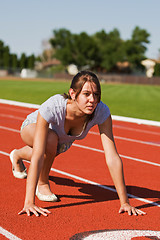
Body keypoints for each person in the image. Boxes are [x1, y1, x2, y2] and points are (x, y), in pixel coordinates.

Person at [10, 71, 146, 217]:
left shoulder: (101, 111)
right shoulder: (53, 106)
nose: (92, 100)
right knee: (48, 143)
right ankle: (42, 184)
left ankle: (17, 154)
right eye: (86, 94)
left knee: (50, 146)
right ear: (73, 94)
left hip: (60, 142)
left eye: (96, 94)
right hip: (32, 127)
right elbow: (37, 155)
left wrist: (124, 202)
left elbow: (112, 157)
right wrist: (29, 203)